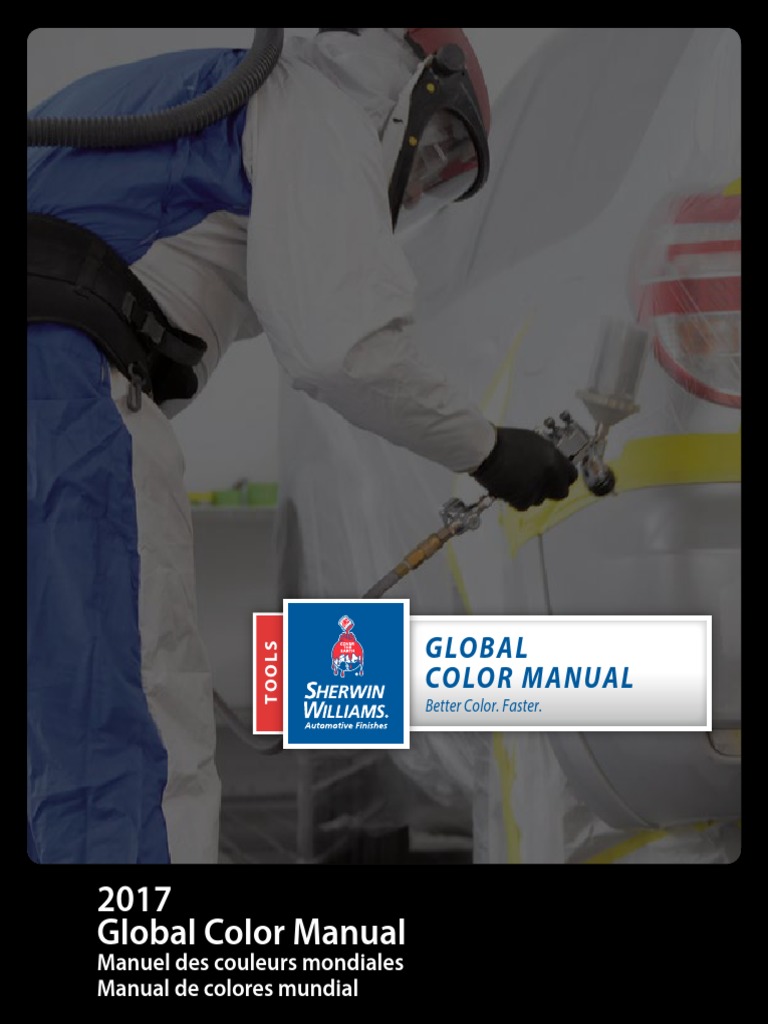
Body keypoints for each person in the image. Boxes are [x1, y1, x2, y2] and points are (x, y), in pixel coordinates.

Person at [27, 27, 577, 865]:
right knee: (128, 739)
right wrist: (490, 447)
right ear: (414, 82)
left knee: (59, 731)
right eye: (433, 156)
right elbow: (342, 347)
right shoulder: (319, 100)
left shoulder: (168, 98)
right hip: (62, 390)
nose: (416, 186)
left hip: (55, 378)